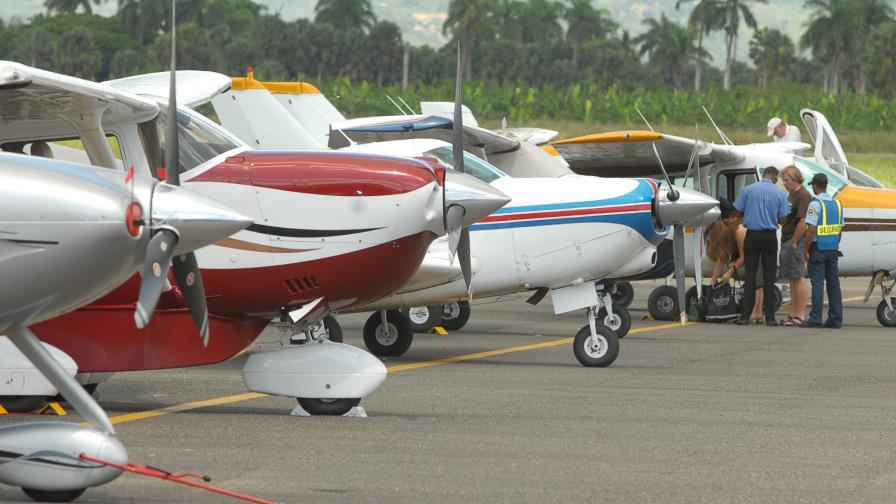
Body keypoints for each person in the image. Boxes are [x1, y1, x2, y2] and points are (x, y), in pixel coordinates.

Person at [733, 166, 789, 325]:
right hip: (769, 237)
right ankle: (770, 317)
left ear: (764, 175)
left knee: (750, 276)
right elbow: (783, 219)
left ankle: (745, 316)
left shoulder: (748, 190)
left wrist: (749, 215)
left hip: (752, 235)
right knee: (769, 277)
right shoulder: (780, 194)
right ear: (775, 177)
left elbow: (737, 211)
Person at [707, 205, 765, 323]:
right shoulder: (724, 231)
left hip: (760, 250)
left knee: (756, 283)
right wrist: (713, 280)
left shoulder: (738, 231)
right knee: (754, 282)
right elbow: (720, 258)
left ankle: (755, 313)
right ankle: (756, 314)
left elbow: (745, 257)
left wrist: (730, 271)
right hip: (752, 252)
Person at [802, 173, 843, 328]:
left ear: (815, 186)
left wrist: (805, 249)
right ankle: (836, 319)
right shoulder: (837, 204)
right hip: (832, 249)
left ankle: (815, 318)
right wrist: (834, 243)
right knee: (834, 284)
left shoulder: (815, 204)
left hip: (818, 249)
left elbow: (811, 230)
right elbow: (839, 229)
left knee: (817, 284)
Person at [778, 166, 811, 326]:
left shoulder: (803, 195)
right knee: (791, 278)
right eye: (783, 180)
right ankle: (794, 312)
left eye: (786, 180)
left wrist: (794, 241)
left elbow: (803, 221)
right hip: (787, 238)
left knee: (798, 277)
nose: (784, 183)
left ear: (795, 178)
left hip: (794, 240)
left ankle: (800, 314)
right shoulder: (792, 194)